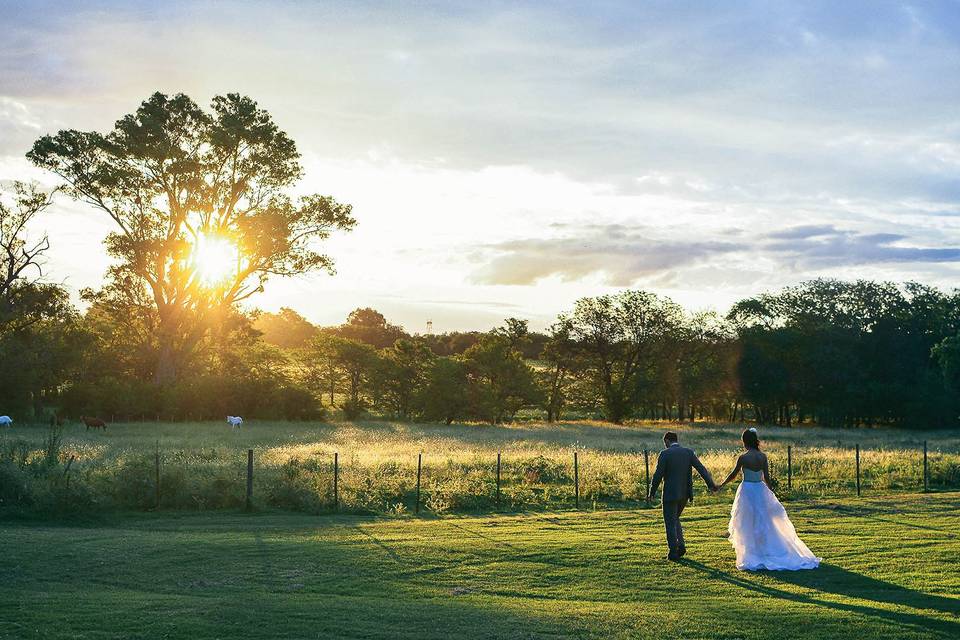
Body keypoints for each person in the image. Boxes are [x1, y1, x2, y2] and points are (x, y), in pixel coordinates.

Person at [718, 428, 820, 571]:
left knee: (747, 521)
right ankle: (764, 549)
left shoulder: (743, 457)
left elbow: (733, 475)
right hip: (760, 489)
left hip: (747, 491)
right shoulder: (762, 457)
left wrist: (721, 485)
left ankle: (752, 552)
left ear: (744, 442)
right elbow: (766, 477)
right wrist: (771, 493)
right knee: (764, 520)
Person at [647, 431, 717, 561]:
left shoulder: (665, 454)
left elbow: (658, 475)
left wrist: (651, 492)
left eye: (665, 442)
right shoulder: (688, 452)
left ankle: (673, 551)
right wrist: (711, 485)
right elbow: (702, 469)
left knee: (670, 522)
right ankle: (681, 545)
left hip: (670, 494)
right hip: (684, 494)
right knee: (675, 518)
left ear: (667, 441)